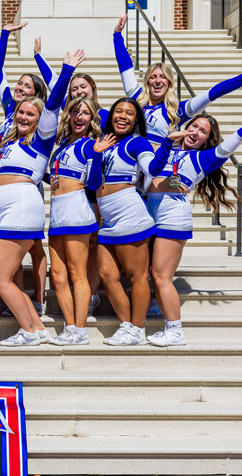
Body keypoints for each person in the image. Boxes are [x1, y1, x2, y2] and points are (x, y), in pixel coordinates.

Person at [145, 108, 242, 346]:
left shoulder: (204, 158)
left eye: (203, 131)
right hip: (150, 216)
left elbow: (240, 135)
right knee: (151, 273)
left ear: (208, 140)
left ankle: (174, 330)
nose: (195, 132)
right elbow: (153, 171)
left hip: (172, 218)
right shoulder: (170, 148)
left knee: (161, 276)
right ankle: (156, 312)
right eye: (194, 126)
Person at [0, 33, 83, 346]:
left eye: (32, 113)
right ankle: (36, 328)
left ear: (41, 119)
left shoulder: (42, 138)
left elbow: (53, 102)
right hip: (0, 208)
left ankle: (29, 329)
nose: (25, 115)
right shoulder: (8, 138)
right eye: (22, 111)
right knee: (3, 276)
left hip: (22, 208)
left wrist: (66, 71)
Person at [113, 15, 242, 145]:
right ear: (147, 82)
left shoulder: (178, 110)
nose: (158, 81)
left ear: (169, 84)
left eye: (163, 77)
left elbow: (215, 92)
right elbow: (125, 66)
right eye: (153, 77)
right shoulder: (135, 98)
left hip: (157, 172)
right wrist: (117, 35)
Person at [46, 96, 115, 345]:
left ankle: (81, 330)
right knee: (58, 276)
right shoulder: (62, 145)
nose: (79, 117)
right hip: (57, 214)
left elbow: (95, 184)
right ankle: (70, 326)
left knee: (77, 275)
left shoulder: (89, 145)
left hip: (76, 212)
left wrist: (97, 156)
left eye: (85, 113)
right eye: (75, 111)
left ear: (91, 118)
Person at [96, 97, 164, 346]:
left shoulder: (138, 142)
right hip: (108, 220)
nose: (123, 116)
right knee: (106, 275)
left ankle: (137, 327)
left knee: (137, 277)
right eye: (118, 111)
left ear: (137, 120)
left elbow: (151, 167)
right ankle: (127, 325)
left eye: (129, 113)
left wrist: (165, 145)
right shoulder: (104, 142)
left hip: (130, 215)